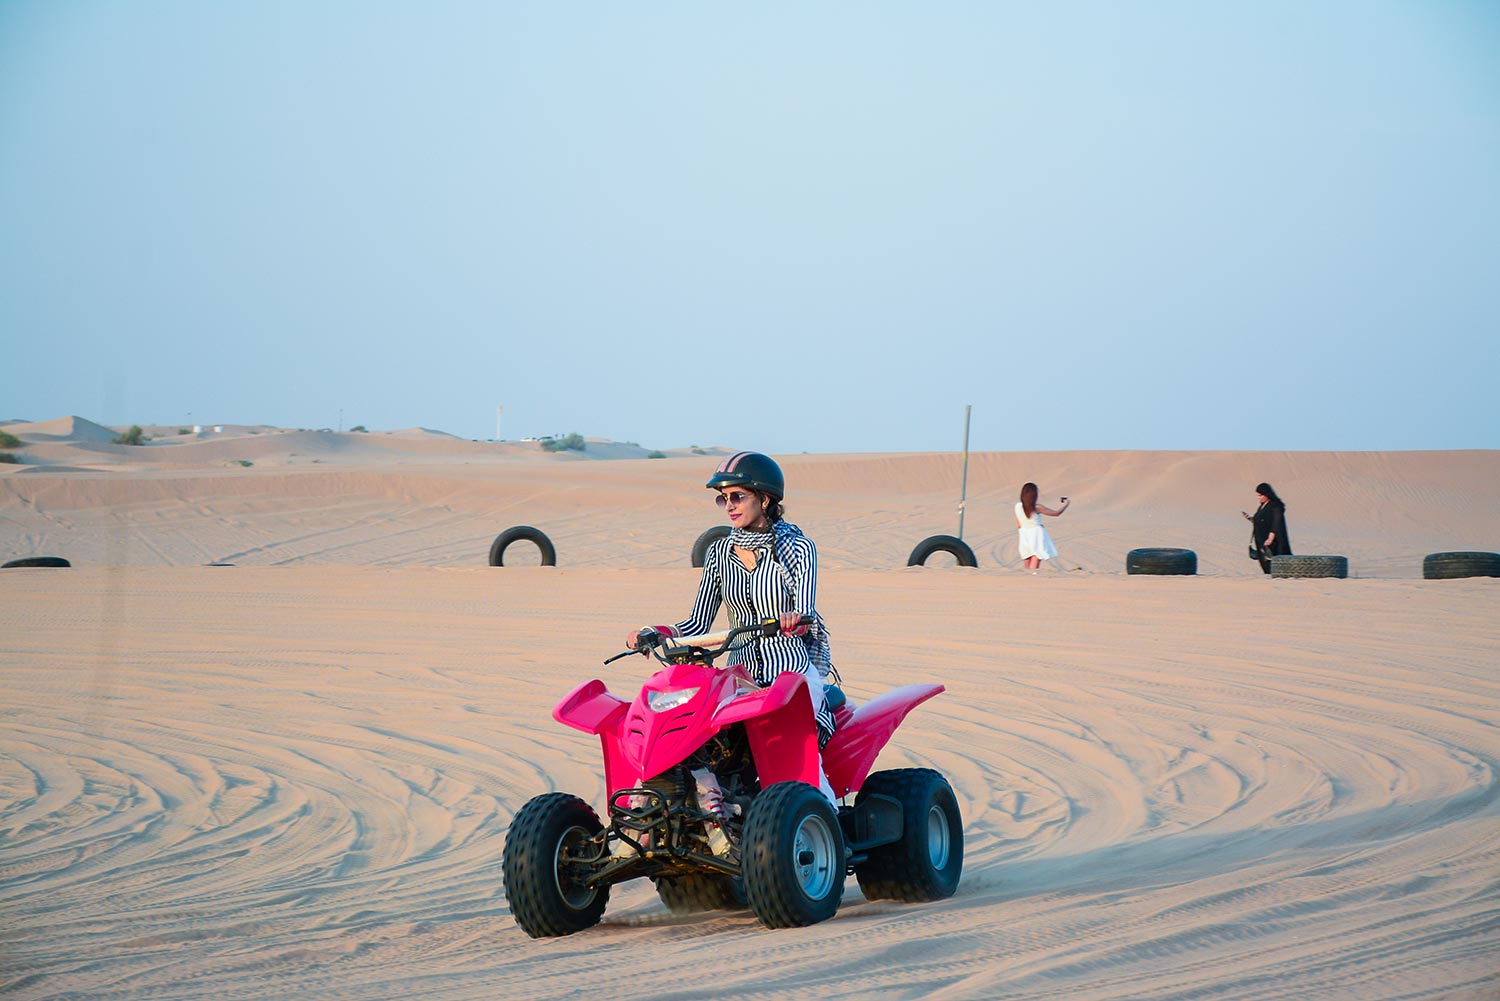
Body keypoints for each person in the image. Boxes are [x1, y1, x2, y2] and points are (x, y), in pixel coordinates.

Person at [624, 451, 839, 804]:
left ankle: (824, 819)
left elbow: (805, 611)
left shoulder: (799, 548)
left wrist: (794, 621)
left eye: (737, 496)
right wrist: (655, 631)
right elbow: (696, 622)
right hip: (740, 678)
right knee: (700, 742)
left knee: (796, 755)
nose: (729, 506)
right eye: (723, 498)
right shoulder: (720, 552)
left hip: (790, 676)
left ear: (764, 498)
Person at [1016, 482, 1069, 572]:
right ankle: (1032, 578)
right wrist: (1066, 504)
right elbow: (1056, 513)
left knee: (1027, 557)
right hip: (1036, 533)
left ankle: (1027, 578)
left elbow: (1019, 524)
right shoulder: (1037, 507)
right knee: (1036, 555)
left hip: (1024, 533)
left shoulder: (1017, 506)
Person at [1242, 482, 1291, 574]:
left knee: (1274, 563)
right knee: (1264, 563)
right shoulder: (1262, 506)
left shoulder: (1276, 506)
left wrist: (1270, 538)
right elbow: (1261, 521)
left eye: (1261, 495)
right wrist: (1250, 518)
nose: (1258, 497)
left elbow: (1277, 523)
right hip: (1261, 540)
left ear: (1267, 494)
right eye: (1258, 495)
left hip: (1272, 543)